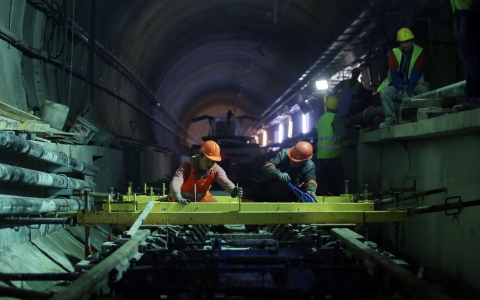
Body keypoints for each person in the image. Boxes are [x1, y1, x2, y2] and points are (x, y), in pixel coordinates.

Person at [377, 28, 430, 128]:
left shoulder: (420, 52)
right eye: (402, 43)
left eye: (407, 42)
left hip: (414, 86)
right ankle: (391, 120)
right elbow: (394, 74)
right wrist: (401, 90)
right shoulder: (394, 53)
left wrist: (410, 89)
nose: (404, 45)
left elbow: (416, 72)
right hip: (398, 87)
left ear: (412, 41)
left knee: (424, 90)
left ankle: (424, 116)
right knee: (384, 93)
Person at [170, 140, 242, 204]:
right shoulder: (187, 166)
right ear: (200, 157)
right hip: (183, 200)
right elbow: (176, 181)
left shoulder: (216, 169)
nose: (210, 164)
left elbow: (225, 182)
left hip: (203, 199)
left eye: (213, 161)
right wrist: (178, 197)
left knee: (217, 211)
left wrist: (233, 190)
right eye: (207, 160)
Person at [242, 141, 317, 202]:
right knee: (246, 194)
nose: (292, 163)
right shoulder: (284, 153)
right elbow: (267, 166)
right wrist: (277, 174)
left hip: (290, 195)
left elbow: (311, 181)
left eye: (296, 162)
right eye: (292, 159)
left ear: (304, 161)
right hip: (270, 189)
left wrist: (311, 191)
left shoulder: (310, 165)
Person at [315, 95, 358, 196]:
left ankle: (323, 202)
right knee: (337, 181)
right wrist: (356, 132)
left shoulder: (320, 119)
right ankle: (333, 199)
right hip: (332, 156)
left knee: (324, 182)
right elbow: (343, 134)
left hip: (320, 156)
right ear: (337, 107)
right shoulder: (335, 118)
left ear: (327, 106)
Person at [451, 0, 480, 111]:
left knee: (467, 54)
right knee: (467, 56)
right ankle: (472, 97)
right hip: (458, 9)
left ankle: (475, 97)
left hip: (468, 8)